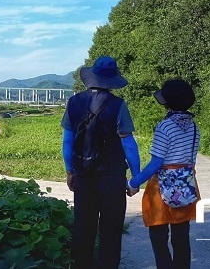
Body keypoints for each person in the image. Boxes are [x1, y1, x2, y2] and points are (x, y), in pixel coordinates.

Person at [61, 56, 141, 269]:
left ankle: (81, 265)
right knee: (111, 229)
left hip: (83, 174)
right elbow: (129, 145)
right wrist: (135, 177)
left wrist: (70, 171)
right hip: (112, 177)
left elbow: (67, 142)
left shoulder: (74, 102)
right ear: (112, 79)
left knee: (83, 226)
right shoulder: (118, 105)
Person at [126, 79, 201, 269]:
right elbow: (190, 161)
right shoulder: (194, 128)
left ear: (167, 101)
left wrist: (134, 182)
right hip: (186, 187)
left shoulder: (165, 127)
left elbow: (156, 163)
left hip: (162, 188)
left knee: (158, 237)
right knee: (181, 236)